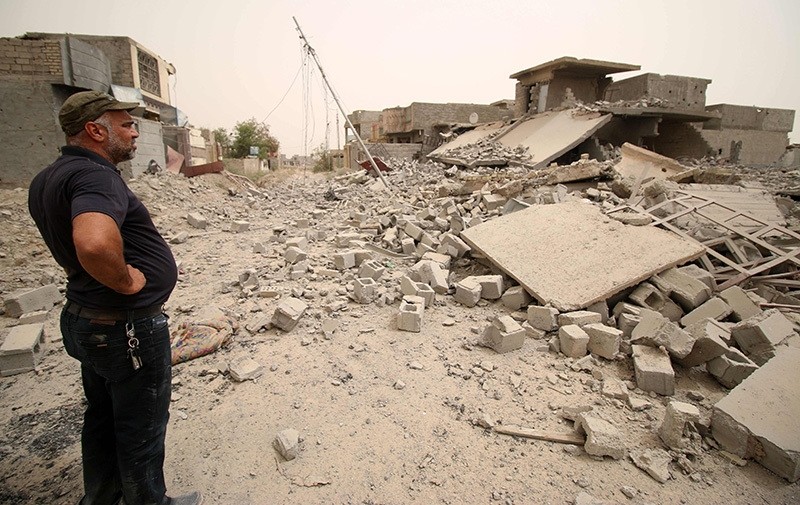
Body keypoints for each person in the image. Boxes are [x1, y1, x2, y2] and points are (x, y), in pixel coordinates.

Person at [28, 90, 202, 505]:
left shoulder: (48, 177)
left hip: (87, 319)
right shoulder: (96, 177)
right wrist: (126, 282)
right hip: (124, 326)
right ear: (95, 130)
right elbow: (92, 244)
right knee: (140, 425)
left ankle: (102, 496)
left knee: (103, 415)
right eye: (125, 124)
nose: (134, 132)